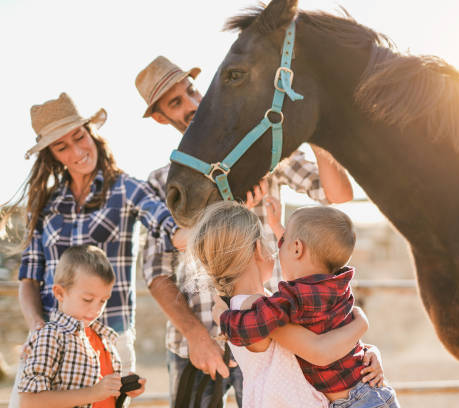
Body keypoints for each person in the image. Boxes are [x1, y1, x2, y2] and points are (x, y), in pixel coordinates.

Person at [134, 55, 354, 406]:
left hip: (271, 331)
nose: (193, 103)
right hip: (200, 338)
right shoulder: (165, 184)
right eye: (176, 102)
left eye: (192, 90)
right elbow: (156, 273)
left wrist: (315, 133)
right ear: (160, 117)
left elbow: (337, 196)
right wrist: (195, 336)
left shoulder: (262, 152)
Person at [1, 92, 186, 408]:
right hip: (49, 339)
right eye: (62, 146)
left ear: (91, 134)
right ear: (52, 155)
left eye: (79, 136)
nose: (77, 150)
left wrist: (195, 235)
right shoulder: (44, 205)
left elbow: (164, 221)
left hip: (107, 337)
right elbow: (29, 278)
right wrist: (36, 327)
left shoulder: (127, 189)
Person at [188, 201, 384, 407]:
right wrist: (360, 322)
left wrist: (369, 351)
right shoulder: (253, 308)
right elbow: (320, 350)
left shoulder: (264, 303)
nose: (276, 248)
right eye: (270, 240)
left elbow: (322, 334)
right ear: (257, 248)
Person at [18, 245, 146, 408]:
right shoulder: (50, 336)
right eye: (87, 299)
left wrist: (124, 389)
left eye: (103, 300)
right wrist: (94, 392)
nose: (96, 309)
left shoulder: (105, 339)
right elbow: (29, 401)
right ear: (59, 293)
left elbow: (103, 397)